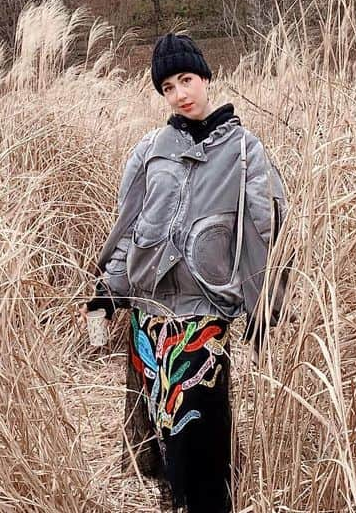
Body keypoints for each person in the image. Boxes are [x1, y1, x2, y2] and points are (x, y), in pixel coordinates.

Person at [84, 33, 290, 513]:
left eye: (187, 80)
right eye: (169, 86)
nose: (180, 93)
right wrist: (108, 291)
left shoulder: (244, 151)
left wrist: (266, 303)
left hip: (204, 318)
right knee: (165, 442)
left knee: (203, 436)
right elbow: (128, 225)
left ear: (206, 79)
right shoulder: (150, 150)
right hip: (151, 318)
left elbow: (267, 228)